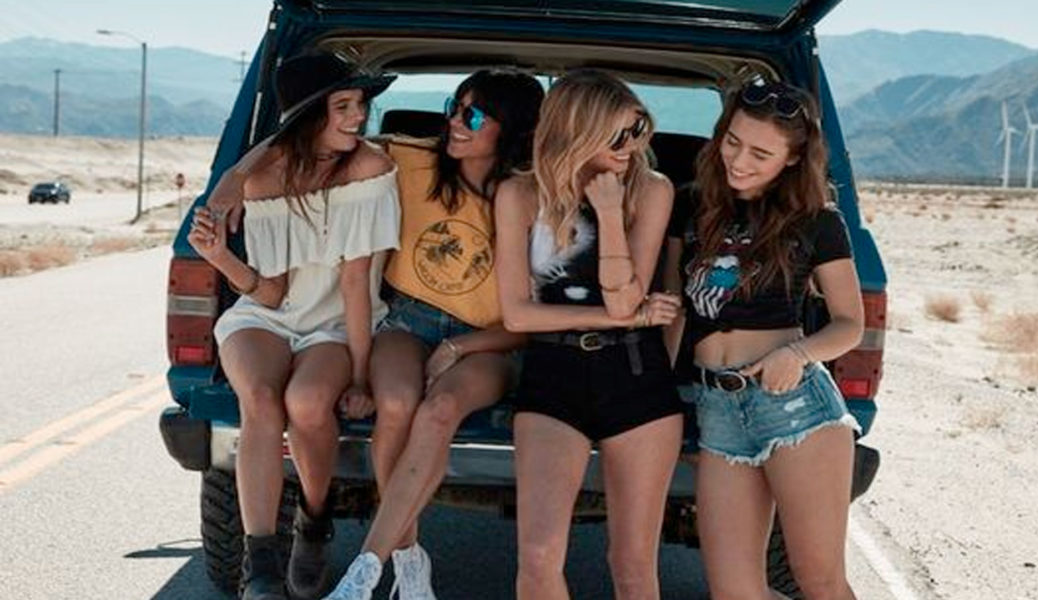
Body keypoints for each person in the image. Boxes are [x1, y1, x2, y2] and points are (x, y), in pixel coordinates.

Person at [319, 69, 545, 600]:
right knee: (396, 402)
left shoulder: (531, 194)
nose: (455, 123)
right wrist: (236, 178)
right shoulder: (409, 159)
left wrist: (457, 347)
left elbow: (525, 317)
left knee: (439, 409)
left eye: (473, 115)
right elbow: (322, 140)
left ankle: (364, 570)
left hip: (491, 338)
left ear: (512, 127)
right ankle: (406, 560)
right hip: (409, 321)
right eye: (453, 107)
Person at [189, 52, 401, 600]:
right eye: (343, 106)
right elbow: (271, 292)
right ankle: (260, 565)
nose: (359, 117)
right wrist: (220, 258)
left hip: (335, 321)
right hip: (266, 315)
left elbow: (355, 285)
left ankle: (313, 518)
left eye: (360, 104)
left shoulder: (370, 168)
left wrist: (361, 377)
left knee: (306, 403)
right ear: (311, 116)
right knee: (260, 400)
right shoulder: (265, 179)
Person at [494, 69, 684, 600]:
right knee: (537, 557)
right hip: (553, 373)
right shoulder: (519, 195)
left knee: (632, 566)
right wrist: (625, 317)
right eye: (618, 136)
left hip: (635, 375)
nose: (632, 146)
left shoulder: (652, 189)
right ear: (576, 132)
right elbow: (517, 315)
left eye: (638, 130)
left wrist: (608, 212)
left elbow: (625, 298)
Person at [671, 80, 864, 600]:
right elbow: (674, 311)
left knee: (820, 582)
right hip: (717, 409)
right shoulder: (692, 206)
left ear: (794, 157)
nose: (739, 161)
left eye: (760, 154)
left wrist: (796, 353)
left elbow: (850, 323)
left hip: (795, 407)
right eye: (732, 142)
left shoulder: (818, 221)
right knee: (733, 591)